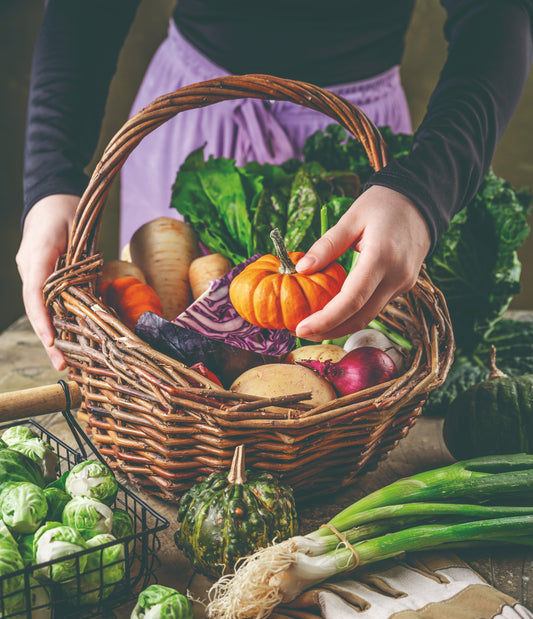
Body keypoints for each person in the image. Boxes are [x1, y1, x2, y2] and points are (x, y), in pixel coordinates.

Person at [16, 1, 533, 371]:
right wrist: (51, 177)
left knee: (336, 360)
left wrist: (422, 190)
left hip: (356, 154)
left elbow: (497, 11)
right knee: (162, 347)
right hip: (194, 126)